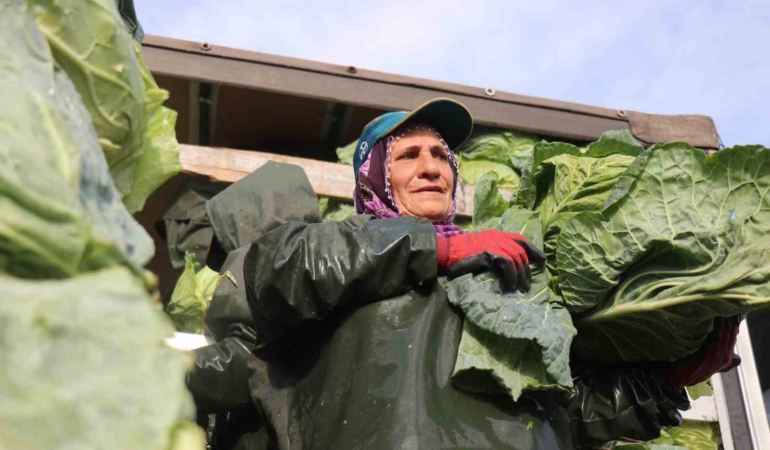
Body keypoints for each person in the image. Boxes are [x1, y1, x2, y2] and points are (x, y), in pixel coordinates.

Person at [186, 98, 739, 449]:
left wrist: (667, 383)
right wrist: (437, 251)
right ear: (374, 179)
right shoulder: (331, 247)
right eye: (408, 156)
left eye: (441, 155)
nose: (431, 166)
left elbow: (560, 413)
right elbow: (282, 271)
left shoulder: (512, 280)